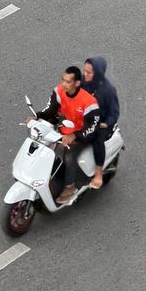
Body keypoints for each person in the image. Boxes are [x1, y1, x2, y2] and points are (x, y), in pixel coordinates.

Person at [34, 66, 100, 205]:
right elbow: (50, 110)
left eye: (68, 81)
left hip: (83, 136)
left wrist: (75, 136)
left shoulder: (89, 102)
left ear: (77, 83)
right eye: (63, 80)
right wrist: (37, 116)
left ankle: (70, 187)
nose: (63, 84)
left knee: (69, 156)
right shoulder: (59, 91)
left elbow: (92, 127)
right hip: (63, 132)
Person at [81, 56, 119, 189]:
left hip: (100, 123)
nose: (85, 74)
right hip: (83, 117)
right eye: (84, 71)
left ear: (97, 73)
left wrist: (105, 124)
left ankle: (98, 174)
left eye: (89, 72)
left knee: (97, 139)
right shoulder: (83, 81)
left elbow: (114, 113)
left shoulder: (108, 90)